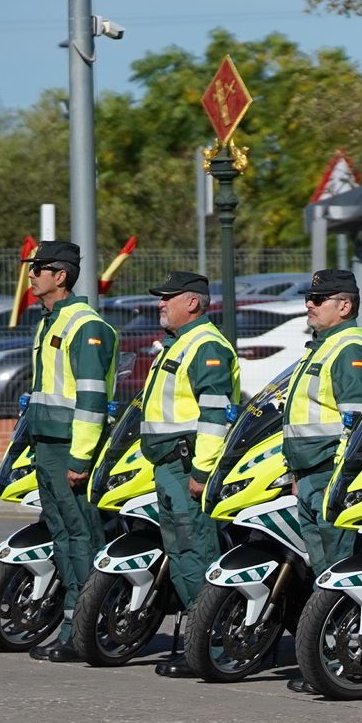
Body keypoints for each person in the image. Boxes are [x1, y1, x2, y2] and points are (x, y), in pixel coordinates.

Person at [283, 268, 362, 695]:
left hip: (330, 477)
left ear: (344, 305)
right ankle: (328, 661)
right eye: (309, 297)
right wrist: (296, 473)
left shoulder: (350, 349)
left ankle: (348, 663)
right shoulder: (323, 346)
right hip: (310, 476)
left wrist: (339, 482)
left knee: (341, 575)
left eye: (318, 299)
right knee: (324, 575)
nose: (310, 304)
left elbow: (355, 426)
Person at [140, 272, 241, 678]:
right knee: (181, 554)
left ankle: (213, 645)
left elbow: (215, 415)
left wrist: (202, 470)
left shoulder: (206, 346)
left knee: (197, 554)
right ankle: (198, 643)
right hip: (169, 466)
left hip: (187, 469)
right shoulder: (179, 343)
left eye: (169, 297)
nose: (161, 303)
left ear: (193, 302)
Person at [22, 240, 117, 662]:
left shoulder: (85, 326)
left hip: (69, 448)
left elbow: (92, 399)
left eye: (38, 268)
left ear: (60, 276)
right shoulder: (50, 321)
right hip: (48, 444)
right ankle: (71, 626)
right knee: (62, 536)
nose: (31, 274)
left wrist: (80, 458)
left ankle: (87, 631)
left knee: (82, 537)